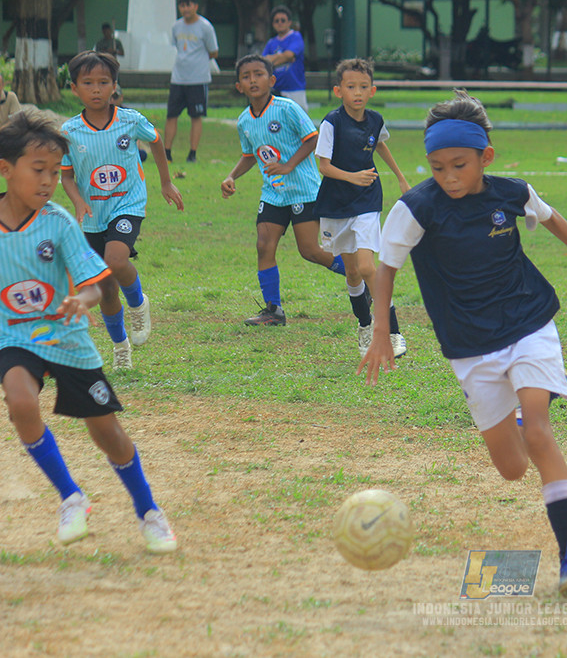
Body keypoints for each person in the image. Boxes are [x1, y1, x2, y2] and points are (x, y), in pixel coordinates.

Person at [358, 91, 567, 597]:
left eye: (459, 165)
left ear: (485, 156)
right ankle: (540, 390)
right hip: (469, 345)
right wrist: (382, 330)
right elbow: (385, 270)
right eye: (438, 167)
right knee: (511, 470)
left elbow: (552, 219)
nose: (449, 177)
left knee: (539, 434)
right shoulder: (415, 208)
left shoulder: (510, 192)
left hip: (528, 321)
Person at [0, 110, 177, 554]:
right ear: (5, 169)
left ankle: (149, 511)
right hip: (15, 337)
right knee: (21, 400)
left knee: (108, 433)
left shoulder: (58, 222)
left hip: (68, 338)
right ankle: (70, 497)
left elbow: (97, 286)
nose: (48, 182)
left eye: (56, 173)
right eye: (37, 170)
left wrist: (82, 300)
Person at [60, 51, 184, 370]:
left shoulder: (130, 120)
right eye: (88, 83)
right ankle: (120, 346)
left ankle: (139, 303)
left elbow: (156, 142)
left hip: (127, 204)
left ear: (115, 86)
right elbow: (66, 175)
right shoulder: (70, 132)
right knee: (105, 287)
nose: (97, 89)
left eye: (104, 82)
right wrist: (77, 201)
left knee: (117, 260)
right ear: (74, 88)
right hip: (92, 216)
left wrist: (166, 182)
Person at [220, 55, 346, 326]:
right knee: (264, 245)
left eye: (258, 74)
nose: (252, 80)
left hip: (303, 191)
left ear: (272, 80)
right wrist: (231, 176)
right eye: (246, 76)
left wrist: (289, 165)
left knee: (310, 251)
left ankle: (359, 277)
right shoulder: (244, 120)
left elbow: (312, 138)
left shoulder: (287, 108)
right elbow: (250, 155)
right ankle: (273, 310)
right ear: (239, 86)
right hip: (273, 193)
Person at [315, 58, 410, 358]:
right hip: (336, 202)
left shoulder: (376, 120)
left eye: (363, 87)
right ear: (338, 91)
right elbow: (324, 166)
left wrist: (400, 177)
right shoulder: (331, 123)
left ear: (373, 90)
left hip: (368, 199)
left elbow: (380, 144)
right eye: (351, 86)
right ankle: (365, 325)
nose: (357, 92)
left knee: (369, 266)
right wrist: (351, 176)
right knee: (353, 273)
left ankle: (393, 333)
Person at [165, 0, 219, 163]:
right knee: (171, 115)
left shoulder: (205, 27)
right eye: (182, 5)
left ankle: (192, 153)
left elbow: (214, 51)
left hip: (198, 79)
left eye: (189, 5)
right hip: (178, 78)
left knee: (196, 116)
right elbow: (175, 46)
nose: (186, 9)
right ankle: (167, 152)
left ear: (195, 6)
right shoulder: (176, 26)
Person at [262, 5, 308, 111]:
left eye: (283, 20)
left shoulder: (296, 37)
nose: (280, 23)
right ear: (273, 24)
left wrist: (273, 59)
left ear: (289, 22)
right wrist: (281, 57)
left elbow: (289, 55)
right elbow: (263, 63)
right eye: (276, 21)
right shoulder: (271, 43)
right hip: (277, 89)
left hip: (295, 88)